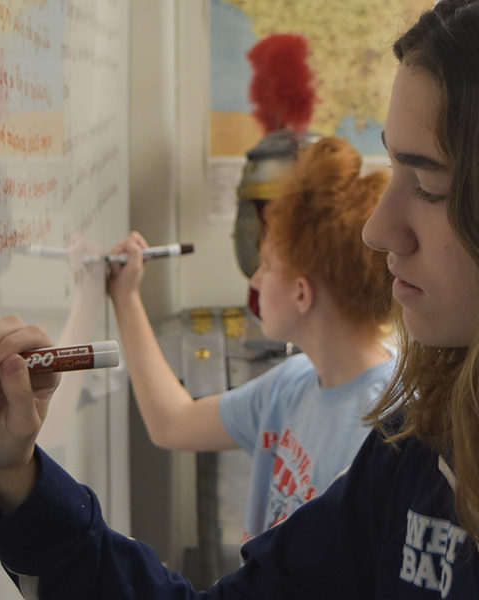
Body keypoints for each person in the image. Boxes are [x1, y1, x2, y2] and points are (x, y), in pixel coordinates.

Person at [0, 0, 479, 597]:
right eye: (392, 168)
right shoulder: (422, 449)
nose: (379, 229)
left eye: (429, 186)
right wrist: (15, 477)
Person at [106, 136, 398, 540]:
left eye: (267, 264)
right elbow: (171, 424)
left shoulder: (390, 426)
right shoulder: (293, 383)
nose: (256, 280)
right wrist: (126, 298)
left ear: (301, 293)